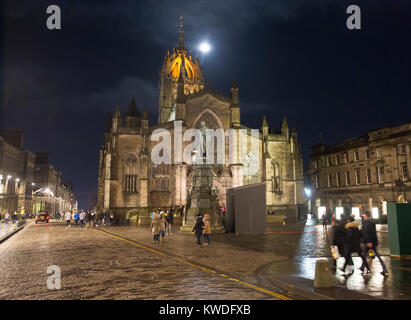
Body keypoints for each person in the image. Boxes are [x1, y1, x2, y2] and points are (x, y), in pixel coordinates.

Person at [361, 210, 388, 276]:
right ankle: (362, 267)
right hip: (373, 241)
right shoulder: (372, 221)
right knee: (366, 254)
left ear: (366, 215)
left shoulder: (366, 222)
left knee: (364, 255)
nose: (363, 217)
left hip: (369, 242)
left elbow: (366, 232)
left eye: (363, 215)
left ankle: (363, 267)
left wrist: (368, 241)